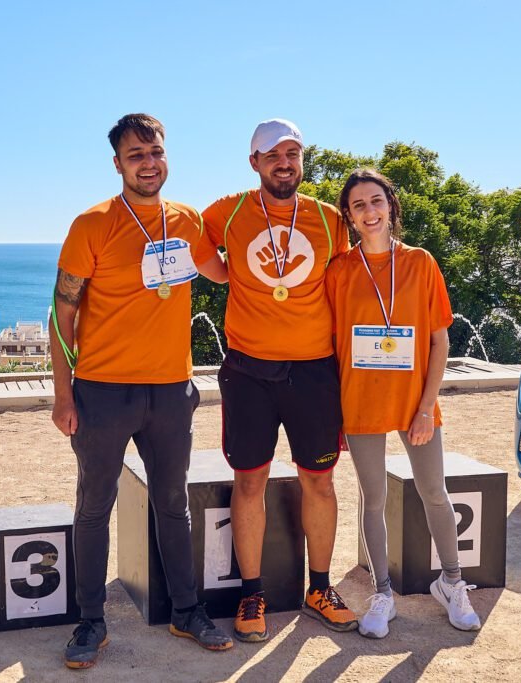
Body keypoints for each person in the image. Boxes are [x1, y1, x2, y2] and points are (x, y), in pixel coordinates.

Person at [50, 113, 232, 669]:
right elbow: (63, 310)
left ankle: (186, 610)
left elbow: (222, 273)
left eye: (154, 152)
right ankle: (90, 621)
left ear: (165, 154)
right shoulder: (93, 223)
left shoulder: (188, 219)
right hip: (103, 391)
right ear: (118, 164)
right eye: (135, 155)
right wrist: (62, 394)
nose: (148, 163)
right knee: (93, 508)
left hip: (172, 389)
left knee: (173, 504)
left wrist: (264, 237)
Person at [201, 119, 357, 643]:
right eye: (273, 154)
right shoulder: (228, 212)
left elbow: (347, 286)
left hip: (315, 371)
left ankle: (319, 587)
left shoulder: (330, 219)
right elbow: (199, 247)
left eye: (293, 153)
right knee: (250, 481)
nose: (284, 162)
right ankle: (252, 592)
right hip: (248, 370)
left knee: (320, 480)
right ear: (254, 163)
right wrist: (229, 276)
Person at [325, 168, 481, 638]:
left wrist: (426, 407)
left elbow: (439, 341)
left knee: (434, 490)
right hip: (361, 401)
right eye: (358, 206)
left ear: (391, 206)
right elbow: (330, 345)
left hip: (415, 400)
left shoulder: (420, 262)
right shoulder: (339, 270)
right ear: (349, 218)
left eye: (376, 201)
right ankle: (383, 593)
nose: (369, 212)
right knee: (372, 497)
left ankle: (452, 583)